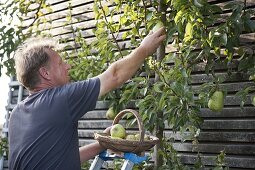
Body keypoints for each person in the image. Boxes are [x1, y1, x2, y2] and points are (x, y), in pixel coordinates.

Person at [8, 27, 166, 169]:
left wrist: (101, 144)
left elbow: (62, 160)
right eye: (60, 63)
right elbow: (114, 75)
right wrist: (145, 49)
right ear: (45, 73)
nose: (67, 66)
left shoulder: (16, 114)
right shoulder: (60, 99)